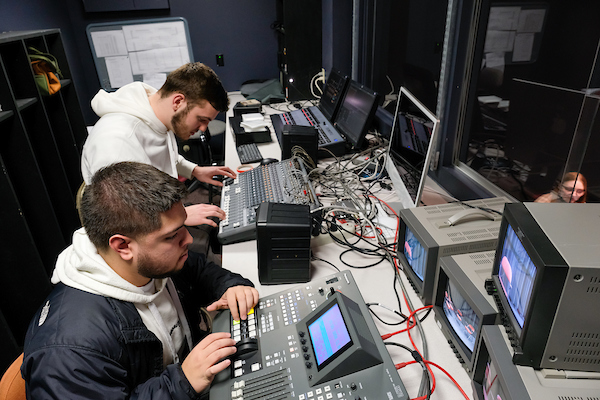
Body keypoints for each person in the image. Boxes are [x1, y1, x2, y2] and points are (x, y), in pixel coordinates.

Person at [22, 162, 259, 399]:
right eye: (172, 236)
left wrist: (231, 286)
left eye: (184, 225)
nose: (188, 239)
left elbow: (198, 269)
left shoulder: (150, 260)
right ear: (123, 246)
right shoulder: (67, 351)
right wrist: (181, 382)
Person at [81, 62, 236, 227]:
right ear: (178, 101)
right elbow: (122, 211)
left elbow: (166, 157)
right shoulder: (118, 139)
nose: (203, 128)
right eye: (201, 119)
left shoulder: (158, 114)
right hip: (135, 227)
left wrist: (194, 170)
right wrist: (180, 216)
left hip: (159, 208)